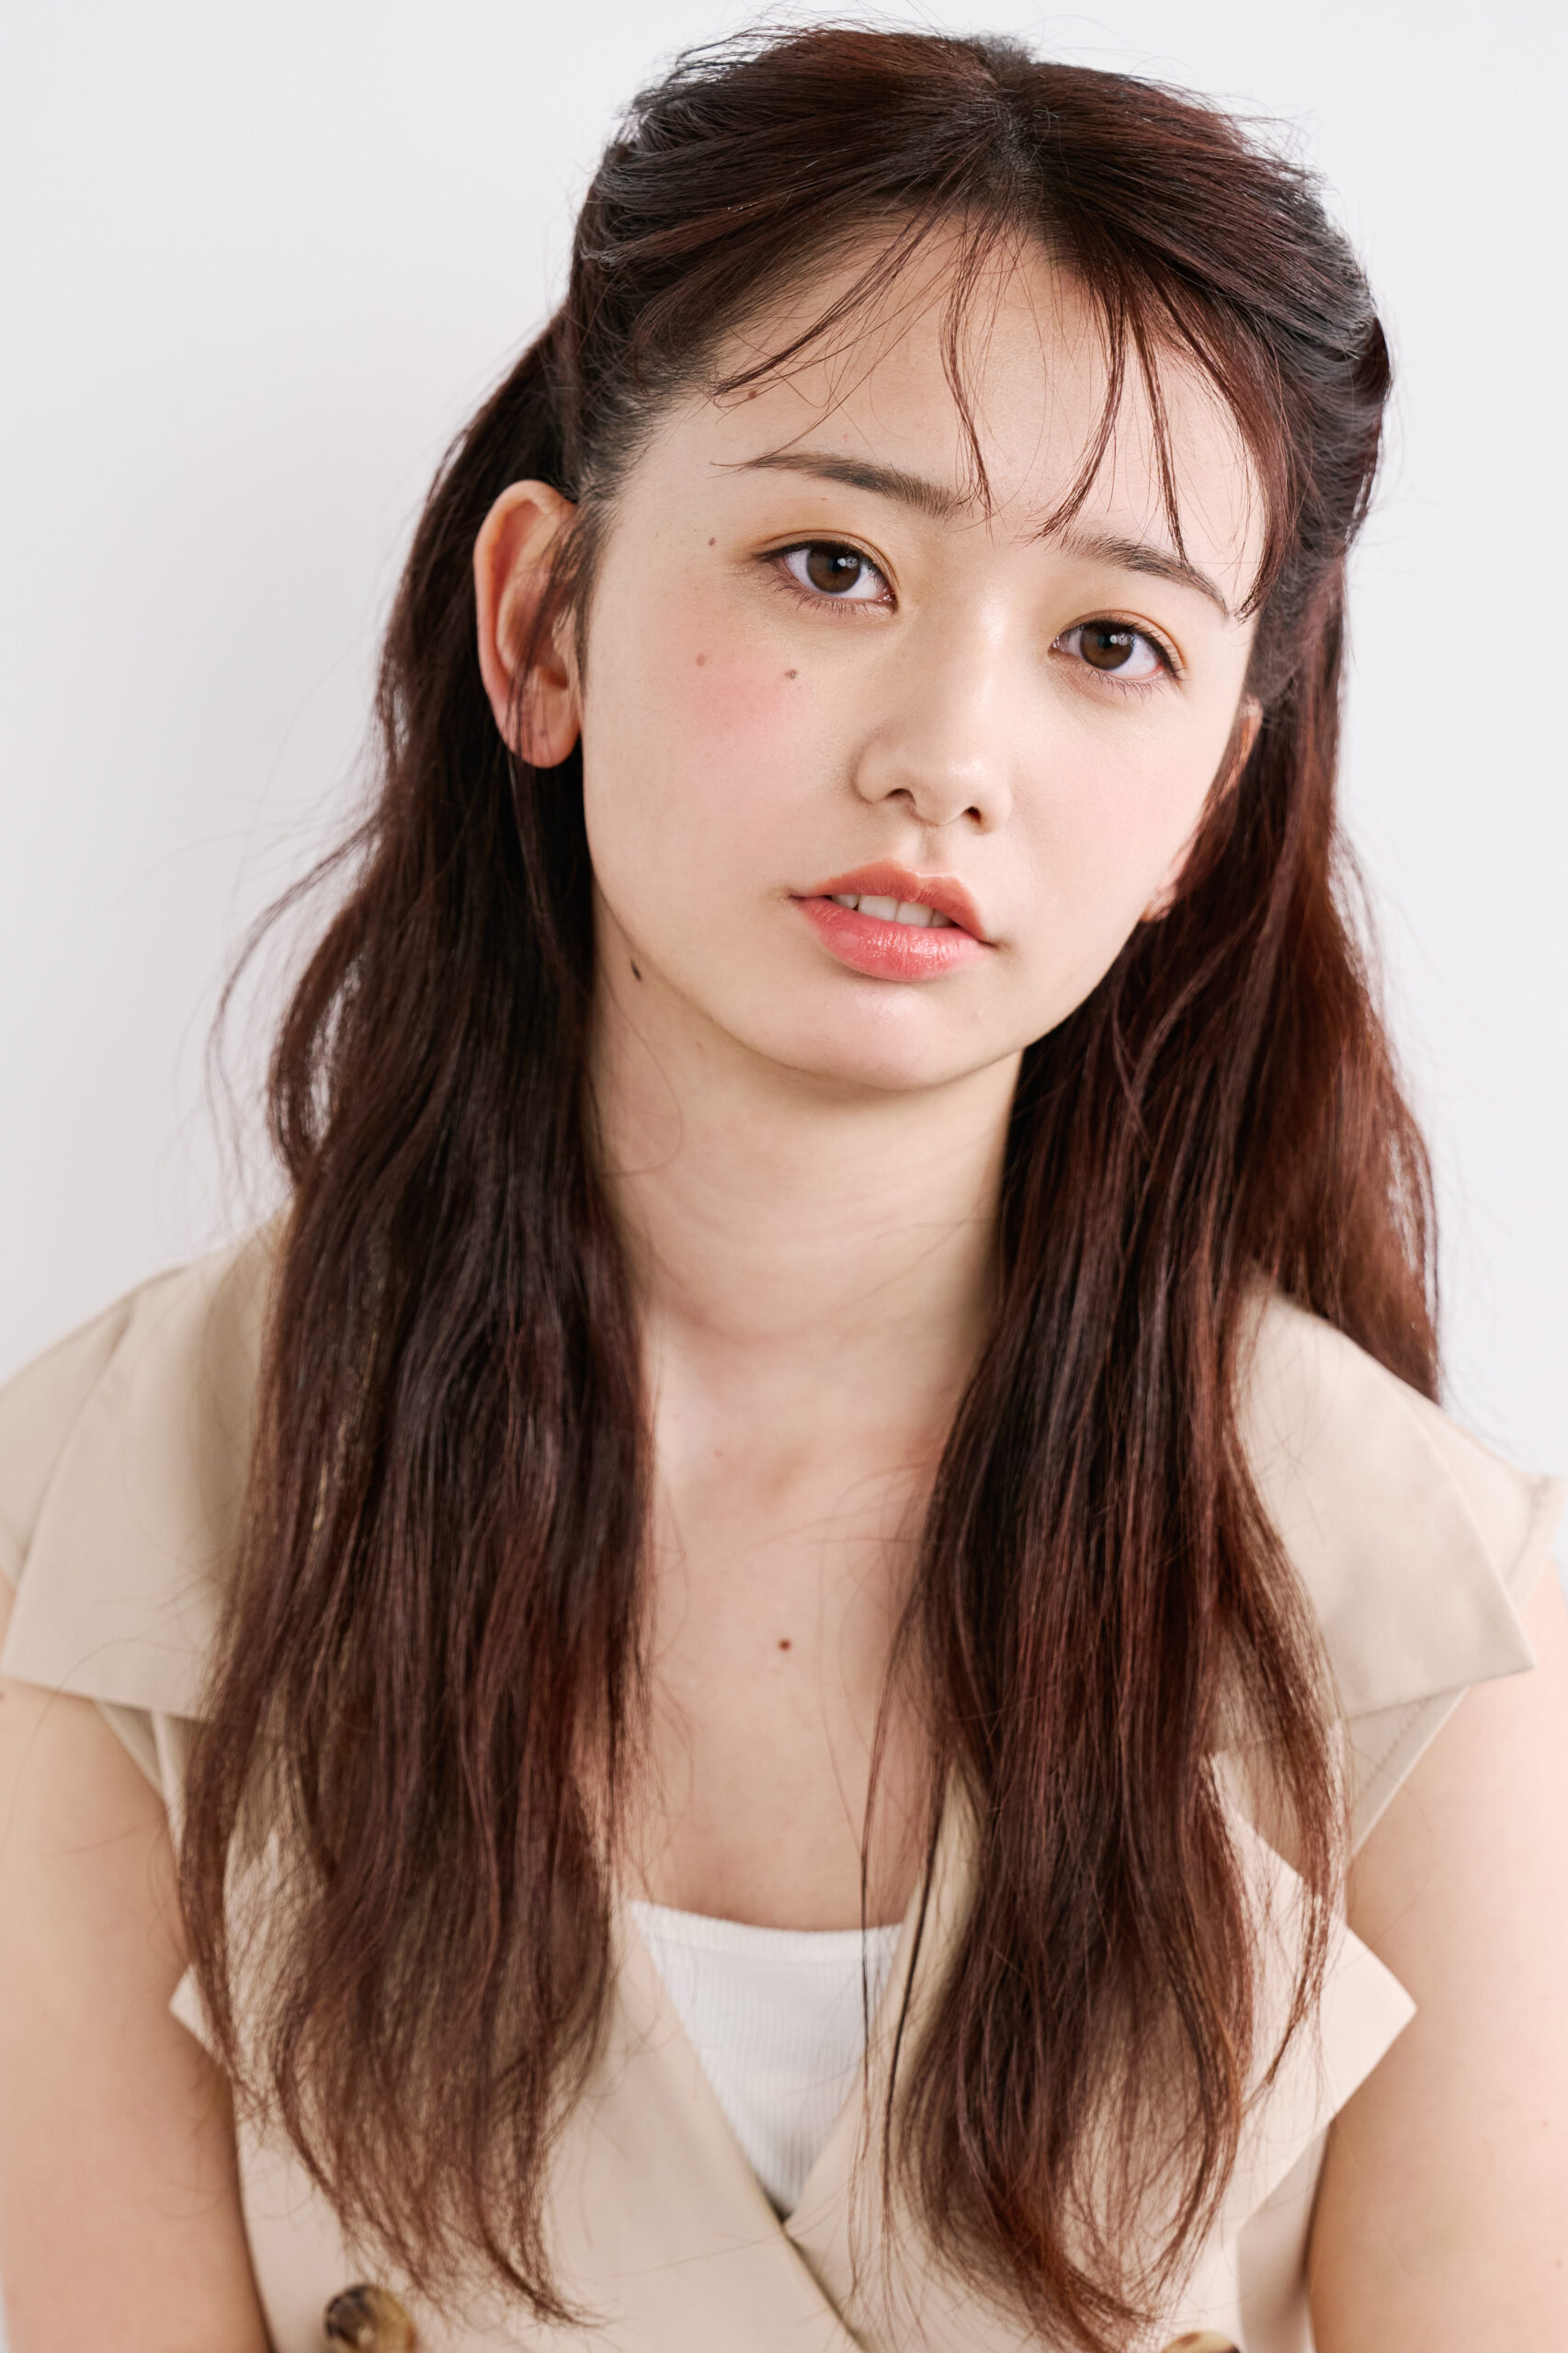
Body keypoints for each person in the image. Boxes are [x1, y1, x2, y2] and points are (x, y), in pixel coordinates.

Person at [1, 26, 1564, 2353]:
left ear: (1204, 808)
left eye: (1111, 641)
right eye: (831, 564)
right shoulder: (106, 1510)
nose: (945, 755)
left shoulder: (1417, 1595)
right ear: (542, 622)